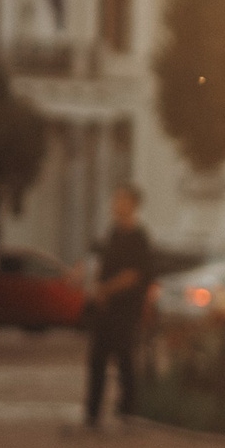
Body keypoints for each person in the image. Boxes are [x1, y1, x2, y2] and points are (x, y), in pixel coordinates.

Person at [84, 182, 158, 427]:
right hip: (105, 310)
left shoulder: (139, 237)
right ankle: (92, 413)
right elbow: (102, 266)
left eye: (121, 200)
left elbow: (133, 276)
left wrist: (104, 289)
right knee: (97, 360)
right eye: (115, 199)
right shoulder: (113, 233)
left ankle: (128, 412)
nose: (116, 205)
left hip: (126, 311)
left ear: (133, 204)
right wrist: (94, 286)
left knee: (125, 360)